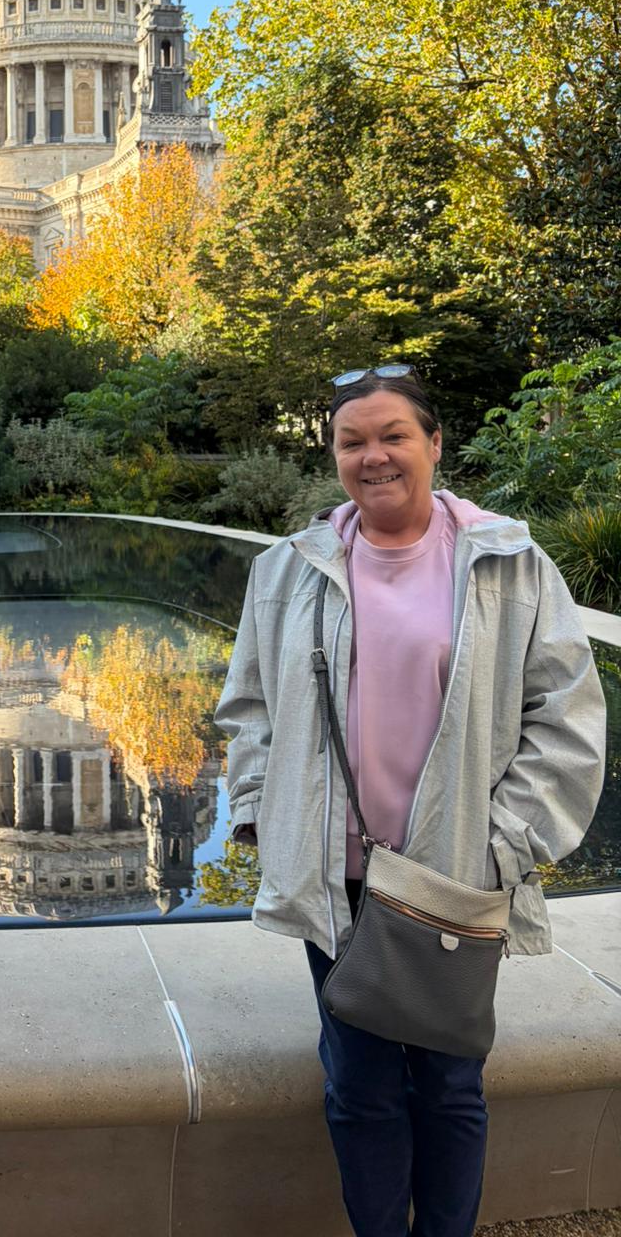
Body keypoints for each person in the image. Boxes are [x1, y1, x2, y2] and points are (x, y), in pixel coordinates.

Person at [215, 366, 606, 1237]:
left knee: (450, 1084)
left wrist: (505, 847)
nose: (374, 456)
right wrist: (262, 814)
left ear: (433, 443)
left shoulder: (508, 564)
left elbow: (567, 717)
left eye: (393, 435)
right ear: (334, 455)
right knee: (358, 1087)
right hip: (340, 879)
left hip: (454, 875)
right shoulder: (289, 569)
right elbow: (250, 708)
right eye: (352, 441)